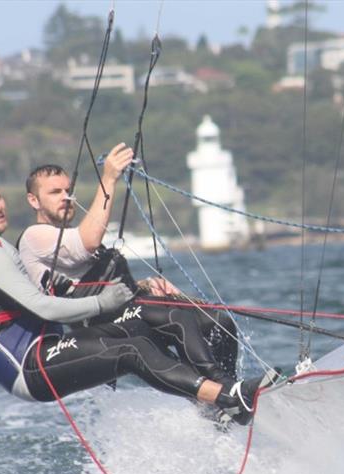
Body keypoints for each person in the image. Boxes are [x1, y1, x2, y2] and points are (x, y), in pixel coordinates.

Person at [0, 174, 265, 424]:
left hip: (48, 346)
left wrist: (138, 290)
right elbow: (42, 307)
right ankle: (225, 398)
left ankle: (226, 395)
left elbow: (42, 297)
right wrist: (102, 303)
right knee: (133, 350)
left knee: (181, 316)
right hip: (29, 367)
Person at [17, 145, 240, 391]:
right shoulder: (33, 236)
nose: (66, 197)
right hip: (95, 327)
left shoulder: (67, 236)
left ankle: (222, 403)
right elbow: (89, 242)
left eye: (69, 190)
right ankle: (223, 388)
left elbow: (93, 276)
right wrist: (109, 178)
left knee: (217, 322)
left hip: (125, 312)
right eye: (55, 192)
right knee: (177, 317)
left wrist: (144, 285)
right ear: (33, 200)